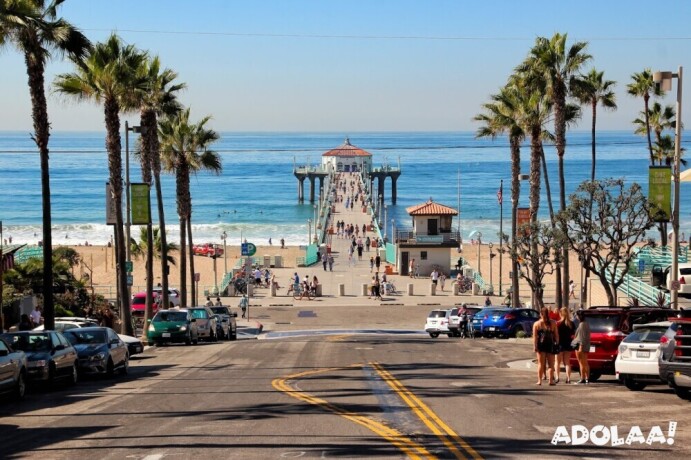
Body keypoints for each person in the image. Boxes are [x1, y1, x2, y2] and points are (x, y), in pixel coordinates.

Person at [532, 307, 559, 386]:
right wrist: (556, 343)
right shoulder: (553, 323)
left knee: (540, 363)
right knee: (551, 364)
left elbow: (535, 337)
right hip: (550, 344)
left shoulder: (537, 324)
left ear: (540, 314)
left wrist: (535, 346)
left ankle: (539, 380)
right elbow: (556, 335)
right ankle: (550, 380)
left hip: (541, 345)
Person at [556, 307, 575, 384]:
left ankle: (557, 377)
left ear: (560, 313)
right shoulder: (571, 324)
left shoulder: (558, 323)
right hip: (568, 343)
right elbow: (573, 335)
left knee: (557, 362)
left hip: (559, 343)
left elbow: (556, 334)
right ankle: (568, 378)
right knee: (567, 362)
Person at [572, 310, 592, 384]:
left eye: (577, 315)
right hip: (583, 345)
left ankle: (585, 378)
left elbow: (582, 337)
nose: (576, 317)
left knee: (583, 362)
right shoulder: (584, 324)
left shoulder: (582, 325)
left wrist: (580, 346)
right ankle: (583, 378)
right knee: (582, 362)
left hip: (581, 345)